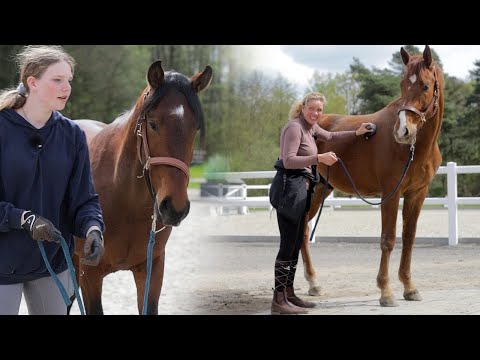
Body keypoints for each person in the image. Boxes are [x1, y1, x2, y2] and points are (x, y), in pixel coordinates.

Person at [0, 45, 105, 315]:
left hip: (52, 263)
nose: (66, 87)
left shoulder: (72, 135)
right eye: (57, 80)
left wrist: (93, 228)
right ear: (32, 82)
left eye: (68, 80)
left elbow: (84, 198)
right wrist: (24, 219)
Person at [271, 92, 373, 314]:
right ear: (303, 108)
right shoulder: (294, 128)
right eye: (312, 109)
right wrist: (319, 159)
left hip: (302, 188)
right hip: (289, 188)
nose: (316, 113)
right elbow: (288, 160)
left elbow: (332, 137)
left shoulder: (311, 128)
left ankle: (289, 294)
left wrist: (357, 132)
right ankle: (278, 300)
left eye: (319, 110)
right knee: (287, 245)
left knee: (297, 241)